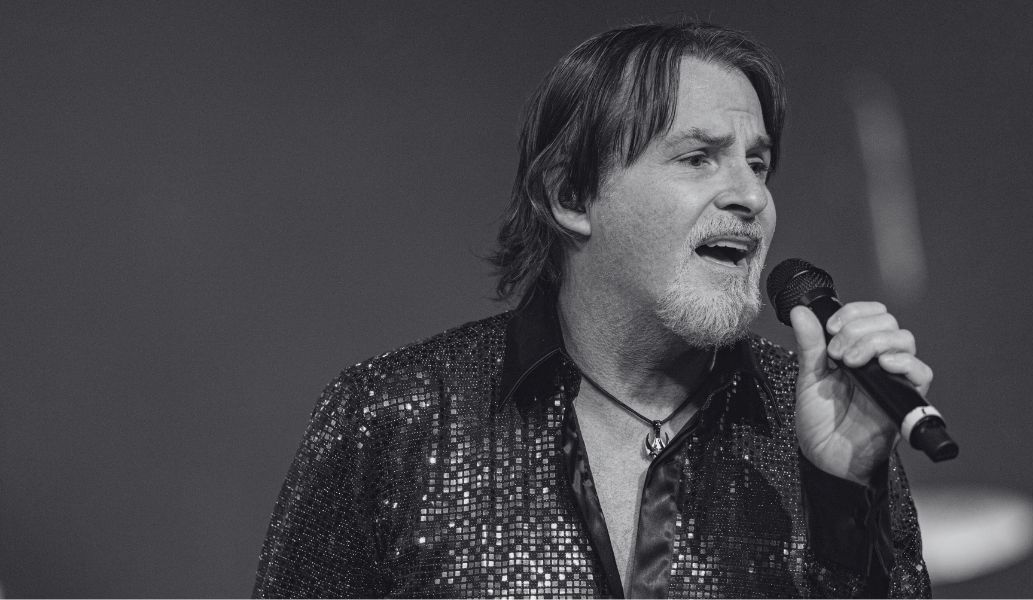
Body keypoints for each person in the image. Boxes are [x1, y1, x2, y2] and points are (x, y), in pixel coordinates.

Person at [254, 21, 932, 598]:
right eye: (698, 158)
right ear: (569, 197)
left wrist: (844, 499)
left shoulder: (827, 420)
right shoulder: (395, 417)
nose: (750, 196)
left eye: (758, 164)